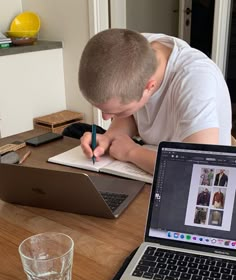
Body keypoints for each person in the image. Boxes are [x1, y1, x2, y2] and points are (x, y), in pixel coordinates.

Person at [69, 29, 232, 174]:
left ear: (149, 86)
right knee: (73, 131)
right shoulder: (132, 52)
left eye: (117, 111)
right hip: (151, 155)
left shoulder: (195, 81)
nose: (105, 117)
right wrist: (109, 137)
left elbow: (199, 170)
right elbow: (131, 114)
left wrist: (132, 152)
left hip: (195, 179)